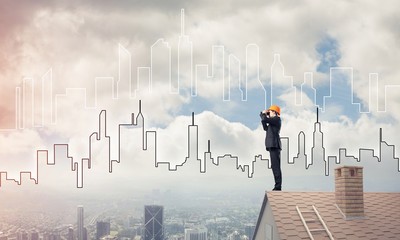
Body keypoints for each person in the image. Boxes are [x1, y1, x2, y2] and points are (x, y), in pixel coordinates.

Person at [260, 105, 282, 191]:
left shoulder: (277, 119)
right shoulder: (272, 123)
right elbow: (265, 127)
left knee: (276, 166)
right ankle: (277, 186)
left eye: (270, 112)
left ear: (275, 112)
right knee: (274, 166)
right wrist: (262, 115)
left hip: (274, 145)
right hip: (272, 146)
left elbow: (265, 119)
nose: (269, 114)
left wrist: (264, 115)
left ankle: (278, 187)